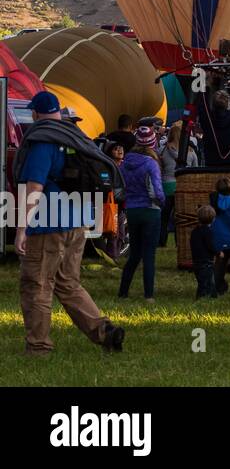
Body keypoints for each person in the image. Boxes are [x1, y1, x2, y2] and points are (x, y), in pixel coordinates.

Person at [15, 90, 125, 355]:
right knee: (68, 283)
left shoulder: (43, 141)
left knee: (38, 284)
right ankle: (104, 332)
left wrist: (21, 228)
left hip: (47, 223)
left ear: (35, 113)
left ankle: (39, 346)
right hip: (76, 221)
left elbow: (34, 186)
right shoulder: (74, 135)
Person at [118, 125, 165, 301]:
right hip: (150, 210)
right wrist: (162, 203)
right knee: (149, 255)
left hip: (132, 209)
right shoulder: (151, 164)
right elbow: (157, 191)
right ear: (153, 143)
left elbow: (120, 187)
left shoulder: (126, 163)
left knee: (135, 253)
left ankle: (123, 292)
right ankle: (149, 295)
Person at [198, 88, 230, 166]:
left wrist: (205, 86)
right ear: (228, 104)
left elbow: (202, 106)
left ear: (213, 105)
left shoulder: (207, 120)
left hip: (212, 164)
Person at [192, 204, 219, 299]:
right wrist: (218, 252)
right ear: (213, 219)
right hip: (206, 261)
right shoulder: (208, 232)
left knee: (203, 280)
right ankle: (203, 297)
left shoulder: (195, 231)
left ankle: (212, 295)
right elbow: (210, 245)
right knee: (207, 281)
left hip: (196, 260)